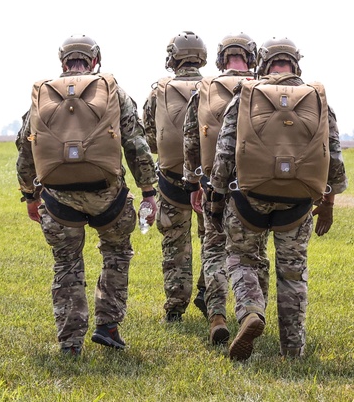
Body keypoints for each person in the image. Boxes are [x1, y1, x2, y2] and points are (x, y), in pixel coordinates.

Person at [17, 35, 159, 356]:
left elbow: (25, 146)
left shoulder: (44, 94)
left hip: (58, 201)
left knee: (66, 263)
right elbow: (135, 145)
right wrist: (148, 190)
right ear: (95, 61)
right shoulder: (112, 91)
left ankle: (70, 342)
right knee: (117, 254)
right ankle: (107, 326)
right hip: (109, 198)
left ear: (62, 62)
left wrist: (29, 195)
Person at [210, 37, 347, 360]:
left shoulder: (246, 95)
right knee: (293, 273)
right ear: (295, 64)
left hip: (248, 201)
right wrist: (327, 203)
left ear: (263, 64)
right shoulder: (316, 99)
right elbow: (335, 161)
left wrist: (216, 196)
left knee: (242, 258)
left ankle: (251, 311)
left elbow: (224, 153)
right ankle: (293, 349)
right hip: (297, 204)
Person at [183, 34, 266, 345]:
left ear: (220, 59)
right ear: (252, 58)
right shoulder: (264, 88)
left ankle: (217, 315)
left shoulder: (204, 90)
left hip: (213, 186)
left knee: (214, 248)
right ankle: (255, 312)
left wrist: (193, 183)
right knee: (254, 254)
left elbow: (191, 140)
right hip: (253, 188)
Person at [142, 31, 207, 322]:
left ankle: (175, 307)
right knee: (213, 241)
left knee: (175, 245)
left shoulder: (159, 90)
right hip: (208, 181)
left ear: (173, 58)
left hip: (170, 180)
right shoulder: (214, 89)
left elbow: (150, 139)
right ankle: (209, 292)